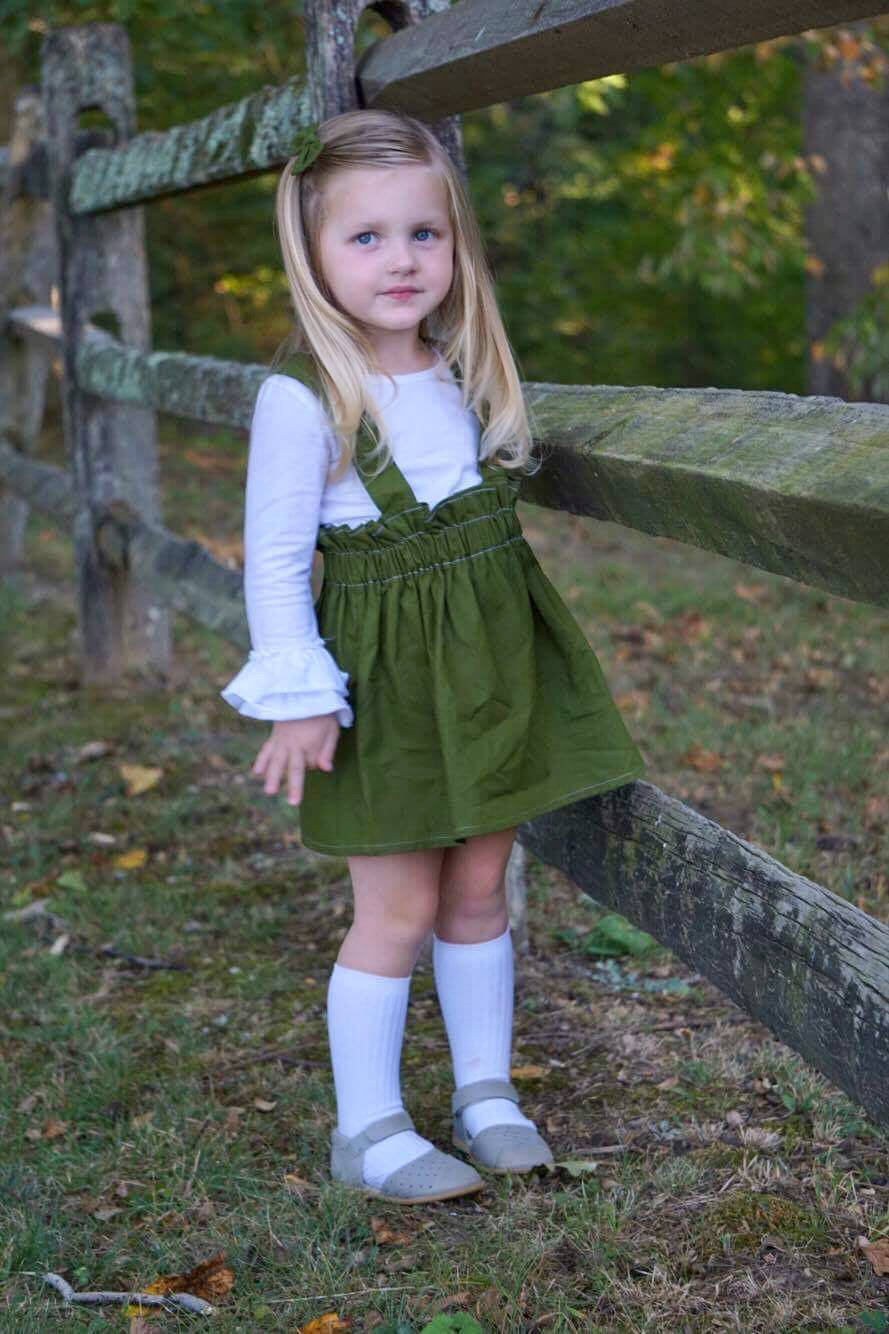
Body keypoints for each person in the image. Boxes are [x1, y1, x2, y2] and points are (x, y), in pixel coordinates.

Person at [220, 109, 646, 1205]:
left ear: (456, 246)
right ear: (310, 253)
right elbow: (272, 560)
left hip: (488, 665)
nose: (400, 259)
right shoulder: (304, 396)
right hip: (385, 684)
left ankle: (486, 1091)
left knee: (477, 888)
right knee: (396, 906)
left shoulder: (459, 369)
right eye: (365, 238)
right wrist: (301, 695)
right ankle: (366, 1127)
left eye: (424, 233)